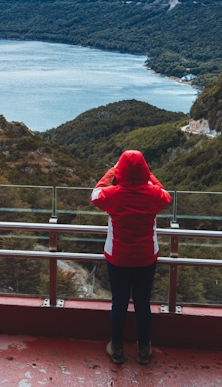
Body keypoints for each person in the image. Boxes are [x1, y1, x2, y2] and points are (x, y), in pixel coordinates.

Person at [90, 150, 172, 365]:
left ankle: (116, 349)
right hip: (146, 257)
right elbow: (165, 194)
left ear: (120, 172)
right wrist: (148, 176)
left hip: (118, 257)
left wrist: (112, 171)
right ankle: (144, 350)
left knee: (119, 302)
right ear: (144, 169)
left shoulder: (113, 195)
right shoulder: (153, 195)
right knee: (143, 303)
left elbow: (95, 193)